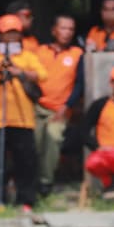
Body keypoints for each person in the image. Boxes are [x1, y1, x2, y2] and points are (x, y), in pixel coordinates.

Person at [0, 14, 46, 211]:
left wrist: (20, 71)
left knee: (26, 161)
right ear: (0, 35)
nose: (11, 37)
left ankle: (26, 201)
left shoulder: (28, 56)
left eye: (15, 33)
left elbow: (42, 75)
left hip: (23, 118)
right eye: (7, 33)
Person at [33, 13, 84, 197]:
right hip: (37, 106)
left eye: (71, 29)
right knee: (35, 140)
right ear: (54, 30)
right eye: (63, 28)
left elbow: (80, 84)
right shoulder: (40, 51)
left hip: (60, 109)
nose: (67, 32)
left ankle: (46, 182)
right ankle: (31, 179)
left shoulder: (77, 54)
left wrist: (67, 106)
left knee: (53, 137)